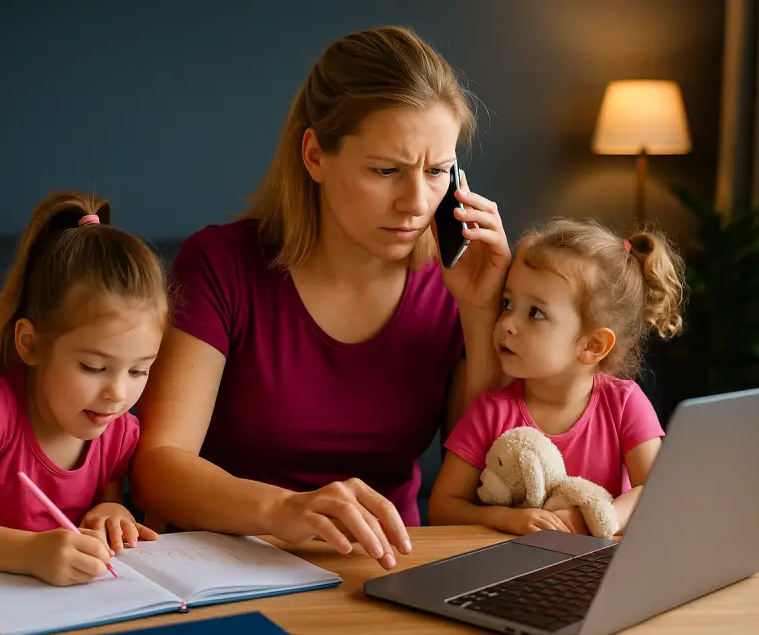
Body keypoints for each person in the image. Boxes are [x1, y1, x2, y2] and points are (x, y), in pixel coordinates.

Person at [131, 26, 512, 570]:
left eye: (436, 172)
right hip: (231, 564)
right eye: (386, 170)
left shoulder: (454, 284)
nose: (416, 202)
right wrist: (283, 509)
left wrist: (480, 314)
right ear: (315, 155)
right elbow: (159, 466)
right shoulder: (221, 264)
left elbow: (479, 478)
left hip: (390, 566)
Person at [0, 191, 166, 586]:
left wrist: (113, 512)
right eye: (93, 367)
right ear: (30, 344)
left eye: (139, 371)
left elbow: (104, 504)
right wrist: (29, 552)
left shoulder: (116, 429)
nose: (117, 393)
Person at [428, 218, 687, 537]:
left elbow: (659, 492)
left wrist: (595, 519)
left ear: (593, 345)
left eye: (535, 313)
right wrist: (505, 519)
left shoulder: (624, 404)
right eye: (508, 303)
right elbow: (442, 507)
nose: (507, 323)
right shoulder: (492, 411)